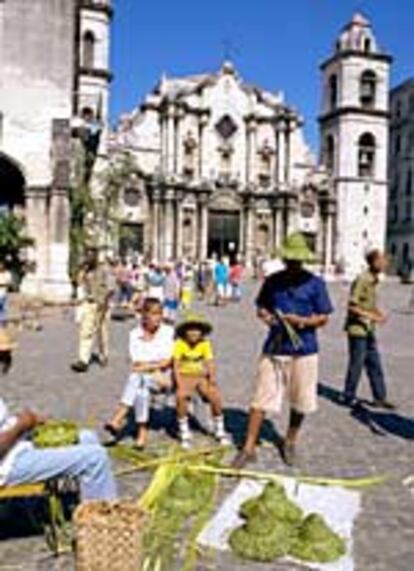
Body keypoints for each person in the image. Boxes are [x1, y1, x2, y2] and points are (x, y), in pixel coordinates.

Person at [232, 232, 333, 468]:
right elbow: (261, 307)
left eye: (297, 261)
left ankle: (289, 441)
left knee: (300, 400)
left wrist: (302, 321)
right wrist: (267, 317)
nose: (293, 265)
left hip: (304, 349)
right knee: (260, 398)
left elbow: (324, 317)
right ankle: (248, 447)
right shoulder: (273, 281)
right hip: (275, 346)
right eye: (290, 261)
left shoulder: (315, 284)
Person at [0, 398, 117, 501]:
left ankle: (88, 503)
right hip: (8, 464)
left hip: (15, 447)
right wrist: (22, 424)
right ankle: (101, 520)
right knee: (96, 458)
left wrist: (23, 421)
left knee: (88, 437)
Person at [104, 298, 174, 449]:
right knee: (141, 388)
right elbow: (136, 363)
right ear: (144, 315)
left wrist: (149, 365)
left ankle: (119, 418)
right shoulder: (134, 334)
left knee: (137, 378)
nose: (158, 318)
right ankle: (142, 432)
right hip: (146, 376)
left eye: (159, 314)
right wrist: (153, 365)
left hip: (164, 377)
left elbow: (168, 361)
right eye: (154, 314)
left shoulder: (168, 332)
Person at [341, 250, 395, 409]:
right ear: (374, 262)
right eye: (383, 260)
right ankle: (348, 396)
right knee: (356, 364)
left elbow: (368, 305)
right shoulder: (362, 280)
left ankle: (380, 397)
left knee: (375, 363)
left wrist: (377, 313)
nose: (386, 263)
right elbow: (352, 307)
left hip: (368, 329)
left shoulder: (373, 280)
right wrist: (373, 317)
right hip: (357, 330)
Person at [173, 313, 229, 449]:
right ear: (184, 331)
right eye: (190, 329)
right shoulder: (179, 344)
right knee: (181, 397)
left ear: (202, 332)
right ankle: (184, 430)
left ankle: (219, 428)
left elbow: (209, 362)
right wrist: (179, 383)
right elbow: (176, 365)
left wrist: (212, 379)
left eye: (197, 330)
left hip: (200, 375)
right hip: (185, 375)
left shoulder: (205, 344)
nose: (193, 333)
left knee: (214, 396)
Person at [71, 248, 114, 373]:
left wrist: (104, 301)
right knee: (86, 331)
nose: (88, 258)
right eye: (86, 255)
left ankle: (103, 354)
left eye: (91, 256)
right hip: (90, 303)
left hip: (103, 305)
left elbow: (111, 288)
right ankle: (83, 360)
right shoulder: (86, 270)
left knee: (102, 332)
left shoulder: (104, 269)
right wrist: (82, 270)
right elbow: (78, 282)